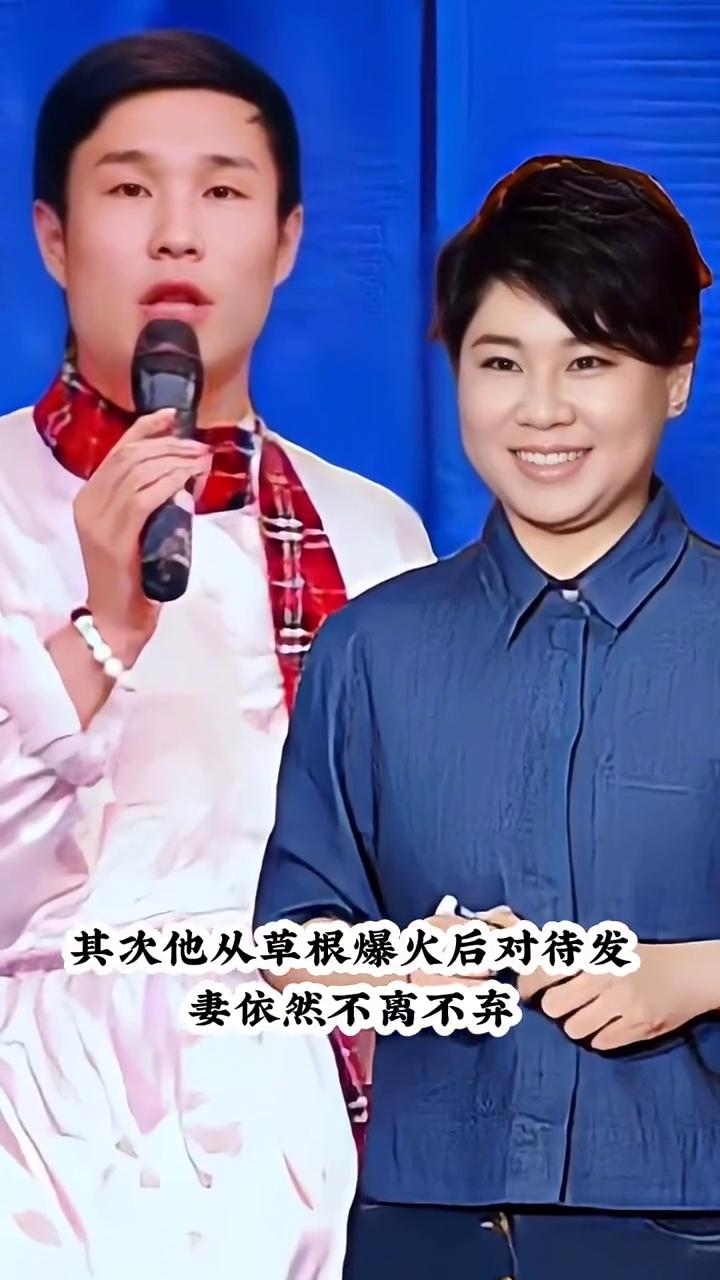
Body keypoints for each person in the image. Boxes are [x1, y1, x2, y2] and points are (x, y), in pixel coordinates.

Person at [0, 29, 434, 1279]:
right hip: (36, 1146)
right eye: (131, 188)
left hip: (303, 1152)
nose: (178, 235)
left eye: (224, 191)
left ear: (287, 241)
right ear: (53, 236)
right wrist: (103, 627)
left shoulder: (371, 534)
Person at [254, 154, 720, 1280]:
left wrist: (695, 975)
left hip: (684, 1224)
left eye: (591, 360)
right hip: (420, 1227)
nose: (541, 409)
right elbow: (292, 941)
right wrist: (415, 965)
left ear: (676, 375)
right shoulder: (372, 647)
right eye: (500, 361)